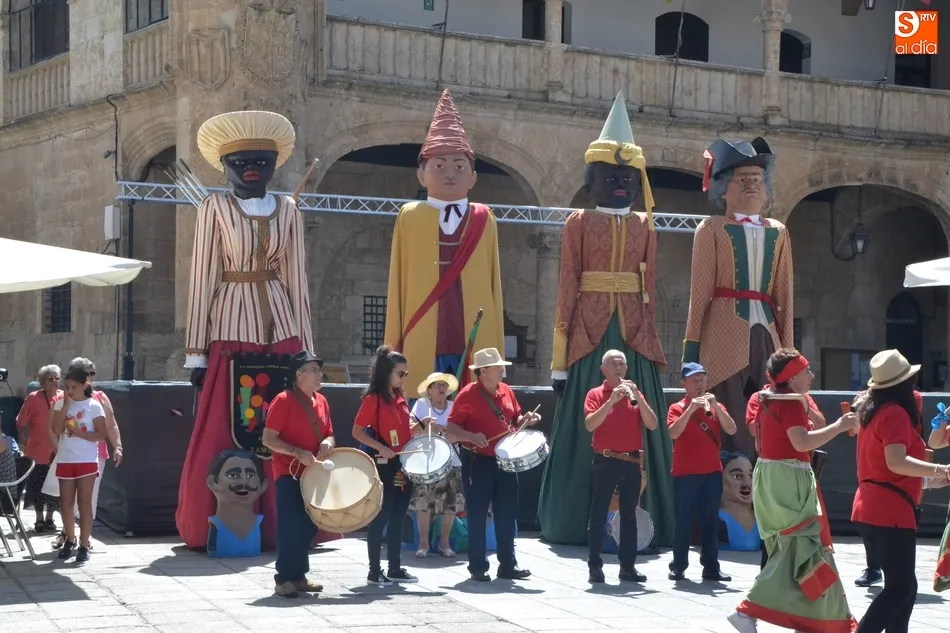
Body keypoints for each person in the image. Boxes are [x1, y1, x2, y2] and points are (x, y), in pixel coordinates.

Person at [176, 110, 317, 551]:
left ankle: (285, 523)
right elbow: (201, 278)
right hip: (230, 327)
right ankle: (220, 522)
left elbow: (298, 280)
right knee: (227, 427)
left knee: (287, 429)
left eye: (260, 159)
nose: (250, 167)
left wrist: (307, 351)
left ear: (275, 164)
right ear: (224, 166)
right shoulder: (213, 207)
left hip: (283, 328)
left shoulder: (289, 210)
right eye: (239, 162)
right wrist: (196, 352)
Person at [540, 91, 674, 548]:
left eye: (627, 177)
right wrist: (559, 363)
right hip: (587, 335)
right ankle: (574, 522)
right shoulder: (577, 222)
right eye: (609, 176)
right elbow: (565, 288)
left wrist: (651, 340)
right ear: (590, 181)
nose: (620, 184)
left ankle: (646, 524)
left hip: (635, 332)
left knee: (640, 419)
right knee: (586, 426)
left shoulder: (647, 227)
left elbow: (650, 290)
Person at [727, 348, 857, 633]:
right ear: (792, 377)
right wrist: (840, 425)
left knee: (796, 549)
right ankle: (746, 610)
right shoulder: (791, 403)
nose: (811, 375)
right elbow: (801, 443)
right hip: (789, 477)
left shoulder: (773, 399)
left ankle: (809, 619)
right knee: (799, 548)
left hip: (770, 474)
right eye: (806, 371)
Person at [683, 137, 794, 457]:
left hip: (767, 335)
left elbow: (785, 294)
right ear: (722, 188)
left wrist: (790, 352)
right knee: (729, 409)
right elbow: (699, 293)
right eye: (742, 179)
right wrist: (691, 352)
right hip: (722, 334)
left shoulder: (779, 230)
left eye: (757, 179)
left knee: (771, 407)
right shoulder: (711, 228)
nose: (751, 185)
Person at [385, 89, 504, 382]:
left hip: (472, 333)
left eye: (459, 167)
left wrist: (497, 353)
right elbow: (397, 282)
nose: (449, 174)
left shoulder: (483, 217)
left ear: (473, 178)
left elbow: (494, 284)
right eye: (439, 166)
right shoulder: (410, 216)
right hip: (423, 330)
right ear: (421, 175)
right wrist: (391, 348)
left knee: (472, 402)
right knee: (421, 402)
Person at [852, 349, 950, 632]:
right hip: (890, 512)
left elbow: (884, 469)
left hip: (872, 506)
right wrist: (939, 470)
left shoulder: (872, 413)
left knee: (905, 588)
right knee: (898, 590)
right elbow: (896, 463)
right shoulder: (894, 413)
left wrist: (933, 480)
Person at [446, 347, 540, 582]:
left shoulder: (507, 391)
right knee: (477, 515)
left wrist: (525, 420)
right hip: (477, 462)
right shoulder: (467, 394)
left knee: (507, 514)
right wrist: (470, 436)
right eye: (498, 367)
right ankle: (477, 567)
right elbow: (451, 430)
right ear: (483, 371)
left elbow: (515, 418)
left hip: (505, 461)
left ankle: (508, 565)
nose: (502, 370)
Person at [583, 349, 658, 584]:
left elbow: (653, 424)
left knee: (629, 516)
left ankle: (628, 567)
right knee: (598, 514)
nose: (618, 368)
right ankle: (595, 566)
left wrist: (637, 396)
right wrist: (611, 401)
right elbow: (589, 424)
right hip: (606, 461)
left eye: (622, 364)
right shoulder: (596, 394)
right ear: (603, 369)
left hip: (632, 462)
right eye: (614, 364)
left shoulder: (636, 394)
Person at [262, 350, 333, 597]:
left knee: (309, 525)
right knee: (291, 525)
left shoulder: (322, 401)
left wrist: (328, 442)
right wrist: (296, 452)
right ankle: (283, 579)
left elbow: (329, 432)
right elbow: (268, 439)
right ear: (299, 374)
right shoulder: (283, 400)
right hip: (288, 473)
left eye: (319, 369)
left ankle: (299, 576)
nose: (319, 374)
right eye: (313, 370)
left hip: (314, 473)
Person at [352, 346, 418, 587]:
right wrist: (380, 447)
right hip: (383, 466)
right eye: (401, 373)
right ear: (387, 373)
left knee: (399, 517)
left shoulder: (401, 399)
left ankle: (394, 567)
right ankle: (373, 571)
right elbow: (356, 431)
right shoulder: (374, 399)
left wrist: (421, 427)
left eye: (405, 374)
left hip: (402, 465)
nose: (403, 378)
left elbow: (404, 432)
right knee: (380, 517)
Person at [666, 362, 736, 582]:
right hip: (686, 473)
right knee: (683, 521)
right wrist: (690, 410)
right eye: (694, 380)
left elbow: (731, 429)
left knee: (710, 521)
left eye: (702, 379)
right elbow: (673, 432)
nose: (699, 383)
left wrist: (715, 407)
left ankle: (711, 567)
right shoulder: (677, 408)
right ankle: (678, 566)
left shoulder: (716, 407)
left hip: (712, 472)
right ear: (684, 384)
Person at [49, 364, 107, 563]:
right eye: (66, 387)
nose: (69, 391)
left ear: (84, 385)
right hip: (66, 459)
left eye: (73, 387)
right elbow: (55, 430)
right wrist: (65, 405)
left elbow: (102, 434)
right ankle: (69, 539)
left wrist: (79, 433)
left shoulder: (93, 405)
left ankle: (84, 543)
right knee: (65, 503)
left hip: (86, 460)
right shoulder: (61, 404)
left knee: (84, 503)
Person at [409, 372, 464, 558]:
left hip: (451, 459)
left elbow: (462, 430)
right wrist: (425, 426)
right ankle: (423, 543)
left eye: (443, 385)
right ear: (429, 390)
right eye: (436, 385)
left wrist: (455, 435)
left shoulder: (454, 406)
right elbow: (409, 428)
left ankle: (444, 543)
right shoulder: (422, 405)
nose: (441, 388)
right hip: (427, 460)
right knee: (424, 502)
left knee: (450, 503)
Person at [16, 364, 61, 532]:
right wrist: (22, 436)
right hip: (37, 450)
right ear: (42, 382)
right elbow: (21, 421)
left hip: (57, 451)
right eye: (50, 379)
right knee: (37, 486)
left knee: (54, 487)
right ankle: (39, 519)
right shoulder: (33, 398)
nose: (55, 382)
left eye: (57, 378)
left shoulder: (63, 397)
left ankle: (50, 518)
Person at [206, 449, 267, 559]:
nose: (243, 482)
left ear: (262, 485)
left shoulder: (259, 521)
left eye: (250, 476)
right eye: (233, 476)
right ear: (212, 483)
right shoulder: (216, 525)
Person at [716, 452, 759, 552]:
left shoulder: (761, 520)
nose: (747, 483)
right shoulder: (717, 520)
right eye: (737, 476)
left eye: (750, 476)